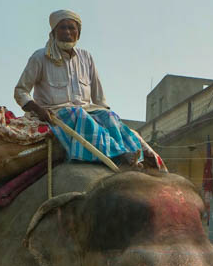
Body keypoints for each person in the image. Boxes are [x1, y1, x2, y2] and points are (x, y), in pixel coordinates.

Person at [14, 9, 164, 169]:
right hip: (55, 112)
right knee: (78, 113)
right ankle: (120, 155)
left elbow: (99, 97)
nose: (67, 32)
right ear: (53, 32)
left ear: (78, 34)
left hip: (88, 110)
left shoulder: (86, 57)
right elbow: (20, 91)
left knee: (110, 116)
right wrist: (38, 109)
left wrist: (105, 113)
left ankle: (139, 159)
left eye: (72, 28)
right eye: (62, 28)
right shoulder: (40, 57)